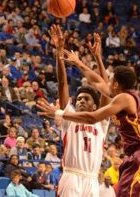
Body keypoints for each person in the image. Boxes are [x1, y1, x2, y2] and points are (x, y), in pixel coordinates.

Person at [37, 60, 140, 196]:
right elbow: (98, 82)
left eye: (110, 79)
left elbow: (92, 117)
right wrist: (79, 62)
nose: (107, 82)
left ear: (115, 84)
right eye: (79, 99)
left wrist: (59, 113)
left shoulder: (123, 99)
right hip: (135, 156)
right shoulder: (118, 97)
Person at [43, 26, 110, 196]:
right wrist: (59, 51)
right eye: (79, 98)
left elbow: (106, 89)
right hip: (71, 175)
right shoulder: (69, 116)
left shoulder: (101, 120)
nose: (80, 101)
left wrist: (98, 58)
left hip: (92, 179)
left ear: (95, 107)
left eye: (85, 99)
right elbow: (62, 83)